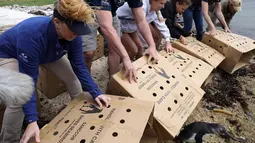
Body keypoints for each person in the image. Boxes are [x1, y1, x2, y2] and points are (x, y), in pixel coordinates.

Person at [0, 0, 110, 142]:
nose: (77, 34)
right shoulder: (32, 36)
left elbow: (79, 66)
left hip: (46, 51)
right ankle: (9, 140)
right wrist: (32, 120)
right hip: (9, 55)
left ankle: (79, 116)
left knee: (73, 79)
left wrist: (96, 92)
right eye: (73, 29)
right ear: (57, 22)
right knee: (18, 99)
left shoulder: (72, 35)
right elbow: (29, 82)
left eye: (79, 30)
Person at [82, 0, 159, 83]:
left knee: (116, 50)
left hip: (110, 12)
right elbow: (106, 27)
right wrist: (126, 58)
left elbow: (141, 20)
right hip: (87, 10)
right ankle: (86, 82)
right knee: (88, 53)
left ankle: (113, 83)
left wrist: (152, 46)